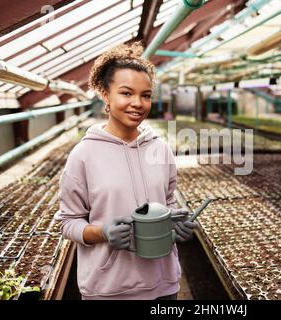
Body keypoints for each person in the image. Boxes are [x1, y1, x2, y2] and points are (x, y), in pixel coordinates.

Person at [54, 42, 198, 300]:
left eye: (146, 95)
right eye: (126, 93)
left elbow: (166, 204)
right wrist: (102, 232)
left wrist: (177, 223)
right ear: (105, 95)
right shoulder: (84, 155)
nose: (138, 103)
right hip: (109, 289)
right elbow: (68, 222)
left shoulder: (160, 148)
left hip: (164, 284)